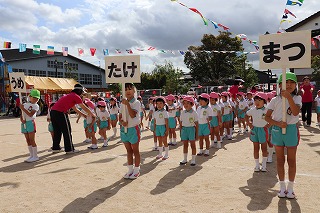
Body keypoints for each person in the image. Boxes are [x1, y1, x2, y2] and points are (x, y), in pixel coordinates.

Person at [265, 72, 301, 199]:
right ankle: (281, 187)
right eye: (286, 82)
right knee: (280, 160)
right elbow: (267, 117)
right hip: (277, 130)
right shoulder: (275, 100)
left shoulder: (297, 98)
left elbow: (295, 113)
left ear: (296, 85)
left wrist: (289, 98)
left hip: (291, 130)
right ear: (280, 85)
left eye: (292, 82)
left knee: (291, 160)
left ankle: (290, 188)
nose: (289, 85)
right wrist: (278, 124)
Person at [50, 84, 95, 153]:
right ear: (79, 90)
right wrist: (92, 114)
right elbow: (83, 107)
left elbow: (75, 108)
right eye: (81, 92)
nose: (82, 93)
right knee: (67, 131)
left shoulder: (69, 95)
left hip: (53, 112)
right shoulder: (76, 96)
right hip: (61, 112)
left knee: (57, 131)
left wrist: (83, 115)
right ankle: (69, 149)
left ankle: (56, 147)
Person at [119, 83, 141, 179]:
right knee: (128, 151)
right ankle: (130, 170)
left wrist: (127, 104)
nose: (128, 91)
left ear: (134, 91)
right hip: (124, 130)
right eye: (126, 89)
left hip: (133, 129)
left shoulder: (136, 102)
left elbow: (132, 115)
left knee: (135, 150)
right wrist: (121, 122)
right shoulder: (122, 103)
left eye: (130, 89)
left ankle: (136, 170)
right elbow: (120, 116)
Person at [245, 92, 269, 172]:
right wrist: (249, 124)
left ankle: (264, 165)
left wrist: (268, 126)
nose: (257, 102)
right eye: (255, 100)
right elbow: (246, 115)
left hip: (263, 130)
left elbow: (272, 118)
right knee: (256, 148)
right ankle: (257, 165)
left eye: (259, 100)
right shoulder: (252, 110)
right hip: (255, 130)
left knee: (264, 148)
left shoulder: (266, 110)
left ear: (264, 101)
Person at [19, 89, 40, 162]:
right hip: (24, 123)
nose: (35, 99)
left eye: (37, 98)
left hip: (31, 122)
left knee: (32, 139)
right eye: (34, 97)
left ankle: (35, 156)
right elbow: (21, 114)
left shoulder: (36, 106)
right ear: (30, 97)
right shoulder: (24, 104)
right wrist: (21, 119)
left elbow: (31, 114)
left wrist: (23, 108)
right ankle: (31, 155)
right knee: (27, 140)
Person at [179, 96, 199, 166]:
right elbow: (181, 123)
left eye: (188, 103)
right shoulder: (182, 112)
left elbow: (196, 124)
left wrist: (197, 134)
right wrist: (181, 132)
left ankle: (193, 160)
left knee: (193, 145)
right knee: (185, 145)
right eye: (184, 103)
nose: (186, 105)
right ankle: (185, 159)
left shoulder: (194, 113)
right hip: (184, 129)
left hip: (191, 129)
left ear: (192, 104)